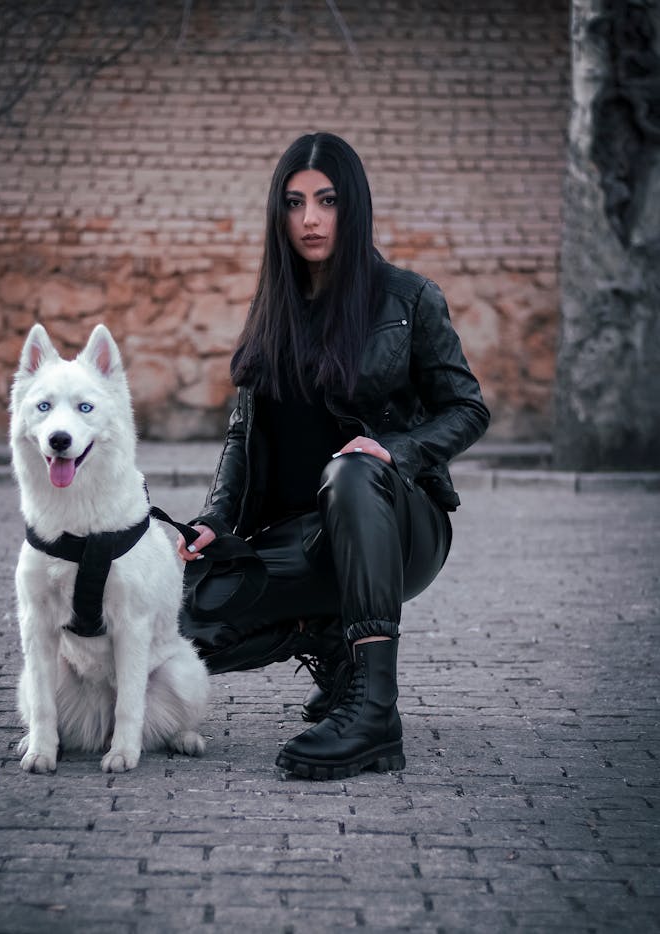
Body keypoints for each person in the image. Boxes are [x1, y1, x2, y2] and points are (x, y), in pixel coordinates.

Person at [176, 132, 490, 780]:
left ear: (353, 208)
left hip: (398, 524)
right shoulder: (275, 313)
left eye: (326, 201)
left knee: (350, 471)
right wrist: (217, 522)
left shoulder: (408, 299)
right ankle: (329, 635)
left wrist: (396, 449)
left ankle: (375, 713)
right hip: (305, 538)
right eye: (294, 203)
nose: (310, 219)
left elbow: (468, 407)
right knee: (184, 623)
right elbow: (243, 436)